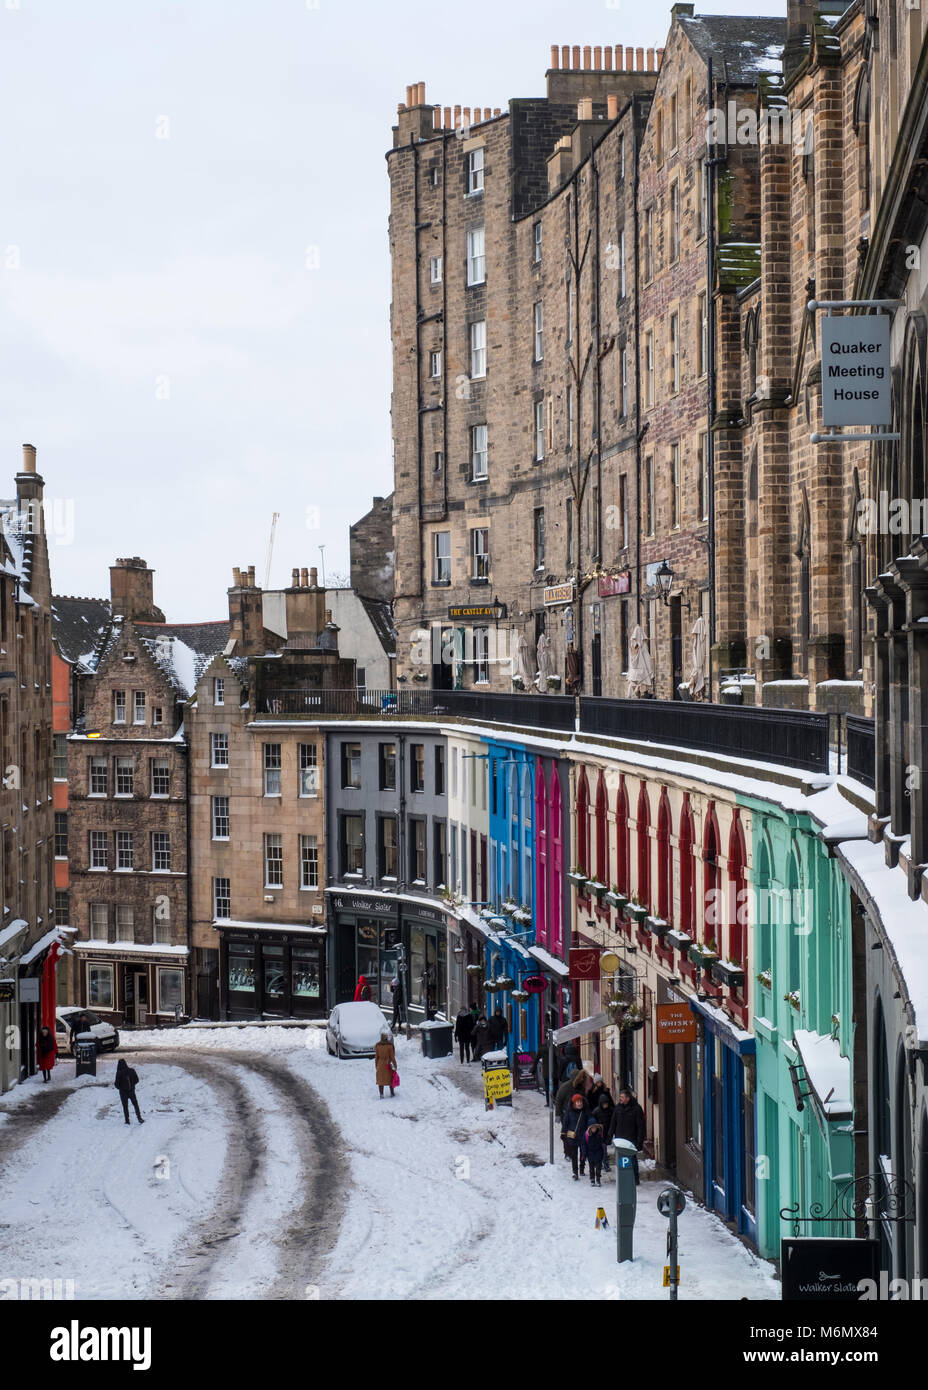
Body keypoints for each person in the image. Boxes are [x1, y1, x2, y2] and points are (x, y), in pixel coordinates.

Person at [609, 1087, 646, 1184]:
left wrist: (639, 1142)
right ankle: (623, 1178)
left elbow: (641, 1126)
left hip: (631, 1139)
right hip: (620, 1139)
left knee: (632, 1160)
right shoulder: (618, 1108)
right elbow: (613, 1123)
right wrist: (609, 1137)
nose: (620, 1098)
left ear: (628, 1098)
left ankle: (635, 1179)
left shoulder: (637, 1109)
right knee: (621, 1160)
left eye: (622, 1097)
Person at [561, 1092, 591, 1180]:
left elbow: (590, 1120)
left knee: (583, 1154)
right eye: (577, 1102)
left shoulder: (585, 1111)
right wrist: (563, 1133)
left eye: (580, 1101)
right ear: (574, 1103)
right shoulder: (569, 1111)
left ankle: (582, 1168)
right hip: (573, 1136)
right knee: (574, 1155)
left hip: (583, 1136)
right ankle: (575, 1172)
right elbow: (565, 1123)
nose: (579, 1103)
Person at [588, 1092, 616, 1172]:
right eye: (604, 1104)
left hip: (607, 1132)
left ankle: (603, 1163)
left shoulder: (611, 1110)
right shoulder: (596, 1111)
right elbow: (592, 1121)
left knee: (603, 1149)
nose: (605, 1105)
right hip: (599, 1133)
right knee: (602, 1149)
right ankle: (603, 1164)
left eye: (606, 1103)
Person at [114, 1058, 144, 1125]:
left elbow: (116, 1084)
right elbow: (137, 1080)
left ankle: (127, 1121)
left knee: (125, 1107)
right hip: (131, 1092)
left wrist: (121, 1088)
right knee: (135, 1105)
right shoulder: (132, 1070)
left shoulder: (119, 1073)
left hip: (123, 1093)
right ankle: (139, 1118)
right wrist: (132, 1085)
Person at [374, 1028, 397, 1099]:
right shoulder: (390, 1046)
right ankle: (392, 1093)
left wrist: (376, 1065)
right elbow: (392, 1057)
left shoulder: (378, 1046)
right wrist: (395, 1065)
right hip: (388, 1064)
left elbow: (376, 1057)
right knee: (390, 1078)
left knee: (380, 1080)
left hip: (380, 1064)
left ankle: (381, 1094)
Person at [583, 1122, 607, 1187]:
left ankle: (598, 1179)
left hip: (598, 1152)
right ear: (590, 1128)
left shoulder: (600, 1134)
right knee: (591, 1168)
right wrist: (584, 1154)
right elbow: (584, 1144)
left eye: (595, 1128)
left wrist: (603, 1154)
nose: (594, 1129)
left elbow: (603, 1144)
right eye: (592, 1128)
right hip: (590, 1153)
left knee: (598, 1168)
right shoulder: (587, 1135)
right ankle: (592, 1179)